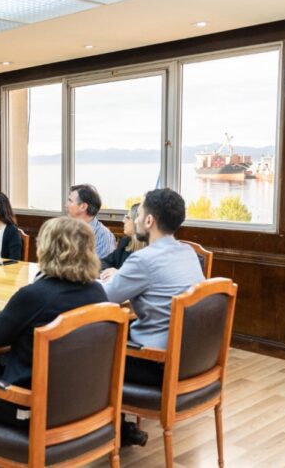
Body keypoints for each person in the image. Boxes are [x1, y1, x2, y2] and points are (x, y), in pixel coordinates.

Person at [0, 216, 107, 434]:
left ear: (46, 249)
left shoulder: (36, 295)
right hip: (83, 401)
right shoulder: (98, 292)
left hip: (27, 406)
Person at [101, 188, 205, 446]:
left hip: (155, 364)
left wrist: (115, 277)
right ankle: (119, 430)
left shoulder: (142, 260)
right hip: (191, 360)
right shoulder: (188, 253)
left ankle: (93, 435)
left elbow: (103, 298)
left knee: (88, 350)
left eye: (139, 214)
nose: (135, 219)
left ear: (149, 221)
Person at [66, 184, 116, 257]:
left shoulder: (103, 236)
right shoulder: (67, 228)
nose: (66, 205)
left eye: (70, 201)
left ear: (83, 207)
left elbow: (101, 266)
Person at [100, 203, 147, 275]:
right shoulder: (125, 242)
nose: (123, 221)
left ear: (137, 221)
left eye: (128, 218)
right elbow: (105, 262)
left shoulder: (149, 249)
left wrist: (118, 274)